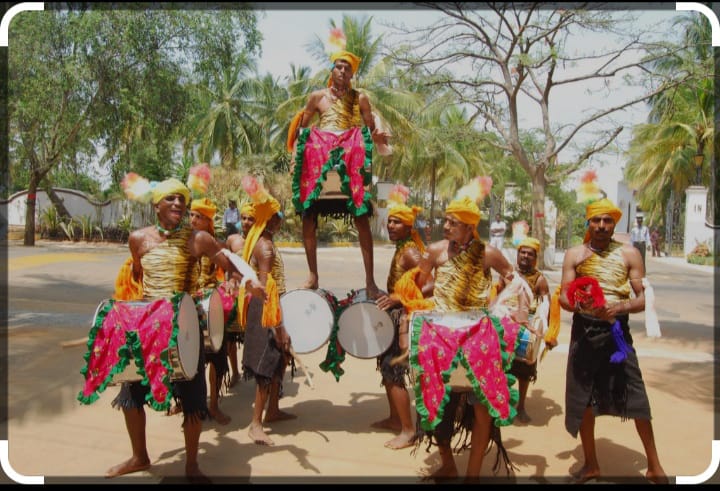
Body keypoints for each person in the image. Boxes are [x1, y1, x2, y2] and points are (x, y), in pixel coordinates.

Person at [102, 178, 265, 482]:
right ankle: (140, 456)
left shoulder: (198, 239)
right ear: (157, 205)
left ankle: (192, 464)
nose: (178, 204)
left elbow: (227, 263)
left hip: (184, 327)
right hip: (147, 329)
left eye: (182, 199)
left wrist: (242, 281)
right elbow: (136, 279)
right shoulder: (137, 239)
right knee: (132, 393)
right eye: (171, 199)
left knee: (192, 399)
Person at [405, 192, 519, 482]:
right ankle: (447, 463)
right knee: (432, 397)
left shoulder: (488, 253)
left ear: (470, 228)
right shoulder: (434, 251)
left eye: (453, 223)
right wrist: (421, 299)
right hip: (439, 329)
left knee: (483, 404)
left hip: (476, 330)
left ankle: (473, 475)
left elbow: (513, 280)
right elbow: (420, 286)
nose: (446, 226)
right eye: (445, 220)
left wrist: (502, 307)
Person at [558, 198, 667, 484]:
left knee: (636, 395)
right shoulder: (574, 255)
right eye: (597, 220)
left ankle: (655, 467)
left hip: (617, 335)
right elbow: (563, 296)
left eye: (607, 221)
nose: (602, 226)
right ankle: (591, 464)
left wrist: (617, 308)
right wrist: (581, 306)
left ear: (614, 224)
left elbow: (643, 299)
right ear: (588, 223)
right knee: (582, 398)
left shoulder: (630, 254)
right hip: (584, 333)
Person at [287, 48, 390, 299]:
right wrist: (294, 159)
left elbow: (369, 130)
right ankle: (313, 276)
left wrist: (375, 136)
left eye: (347, 68)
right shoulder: (317, 97)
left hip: (349, 153)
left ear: (352, 73)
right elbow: (302, 130)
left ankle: (370, 281)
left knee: (362, 219)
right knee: (308, 217)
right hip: (321, 156)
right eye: (339, 66)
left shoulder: (360, 99)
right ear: (332, 70)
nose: (342, 71)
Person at [239, 178, 296, 446]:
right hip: (267, 313)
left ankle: (273, 410)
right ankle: (256, 424)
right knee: (265, 366)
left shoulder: (262, 241)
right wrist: (279, 328)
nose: (279, 221)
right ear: (269, 220)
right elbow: (265, 290)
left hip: (268, 310)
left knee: (279, 360)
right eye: (276, 217)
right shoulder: (266, 247)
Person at [372, 194, 430, 450]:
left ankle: (409, 430)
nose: (391, 226)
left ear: (409, 227)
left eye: (397, 222)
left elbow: (430, 284)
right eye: (390, 222)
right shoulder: (402, 248)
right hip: (395, 317)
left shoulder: (409, 252)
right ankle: (396, 419)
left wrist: (398, 297)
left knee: (394, 372)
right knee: (387, 370)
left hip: (404, 319)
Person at [496, 237, 550, 423]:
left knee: (525, 369)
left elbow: (546, 306)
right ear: (518, 254)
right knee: (500, 365)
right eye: (523, 252)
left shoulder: (540, 279)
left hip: (527, 323)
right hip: (504, 320)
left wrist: (543, 332)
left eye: (530, 254)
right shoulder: (507, 274)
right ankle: (501, 403)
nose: (525, 256)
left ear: (535, 257)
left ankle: (521, 407)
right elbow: (497, 296)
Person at [189, 197, 231, 425]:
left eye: (199, 217)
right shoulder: (183, 242)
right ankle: (184, 403)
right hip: (188, 304)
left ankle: (213, 405)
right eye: (192, 215)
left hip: (211, 305)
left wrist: (231, 283)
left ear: (209, 222)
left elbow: (230, 268)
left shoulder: (217, 245)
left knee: (216, 358)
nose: (193, 220)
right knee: (186, 356)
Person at [224, 202, 257, 388]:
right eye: (243, 218)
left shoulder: (261, 240)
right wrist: (230, 281)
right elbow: (228, 266)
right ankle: (235, 372)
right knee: (229, 336)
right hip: (236, 292)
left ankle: (258, 374)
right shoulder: (232, 240)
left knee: (257, 336)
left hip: (254, 292)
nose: (246, 222)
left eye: (250, 218)